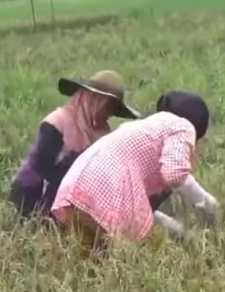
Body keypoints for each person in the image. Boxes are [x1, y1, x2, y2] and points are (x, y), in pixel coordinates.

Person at [51, 90, 218, 257]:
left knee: (92, 260)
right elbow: (174, 174)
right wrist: (208, 203)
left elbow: (141, 210)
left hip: (75, 188)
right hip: (106, 189)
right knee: (154, 255)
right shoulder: (182, 126)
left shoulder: (139, 129)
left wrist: (177, 229)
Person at [10, 70, 140, 222]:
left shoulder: (102, 133)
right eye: (109, 106)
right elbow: (41, 173)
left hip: (69, 205)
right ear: (96, 101)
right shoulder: (57, 122)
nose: (111, 113)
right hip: (34, 199)